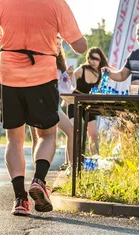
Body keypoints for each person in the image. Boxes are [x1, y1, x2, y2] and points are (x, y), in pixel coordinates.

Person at [0, 0, 87, 216]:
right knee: (46, 135)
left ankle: (19, 200)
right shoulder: (56, 3)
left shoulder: (2, 2)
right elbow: (80, 46)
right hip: (42, 77)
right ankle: (39, 180)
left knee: (14, 140)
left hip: (9, 76)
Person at [69, 47, 109, 156]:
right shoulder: (81, 70)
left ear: (101, 60)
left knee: (94, 134)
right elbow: (69, 82)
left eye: (97, 59)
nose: (94, 61)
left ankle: (95, 159)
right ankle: (70, 162)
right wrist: (66, 99)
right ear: (88, 58)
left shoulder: (101, 74)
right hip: (75, 102)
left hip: (89, 103)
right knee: (73, 132)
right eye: (91, 58)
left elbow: (100, 90)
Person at [55, 37, 76, 170]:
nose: (57, 46)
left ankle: (72, 167)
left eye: (59, 44)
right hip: (41, 103)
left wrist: (68, 75)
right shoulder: (43, 61)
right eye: (55, 44)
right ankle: (38, 177)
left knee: (71, 130)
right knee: (39, 139)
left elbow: (65, 89)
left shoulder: (59, 63)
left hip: (55, 105)